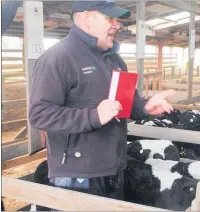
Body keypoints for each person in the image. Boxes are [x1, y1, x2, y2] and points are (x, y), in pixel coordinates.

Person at [28, 1, 176, 202]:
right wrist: (94, 116)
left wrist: (145, 107)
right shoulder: (58, 58)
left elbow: (125, 103)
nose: (117, 24)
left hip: (114, 169)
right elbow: (40, 114)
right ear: (87, 18)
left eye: (116, 19)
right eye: (109, 18)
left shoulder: (115, 60)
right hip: (76, 176)